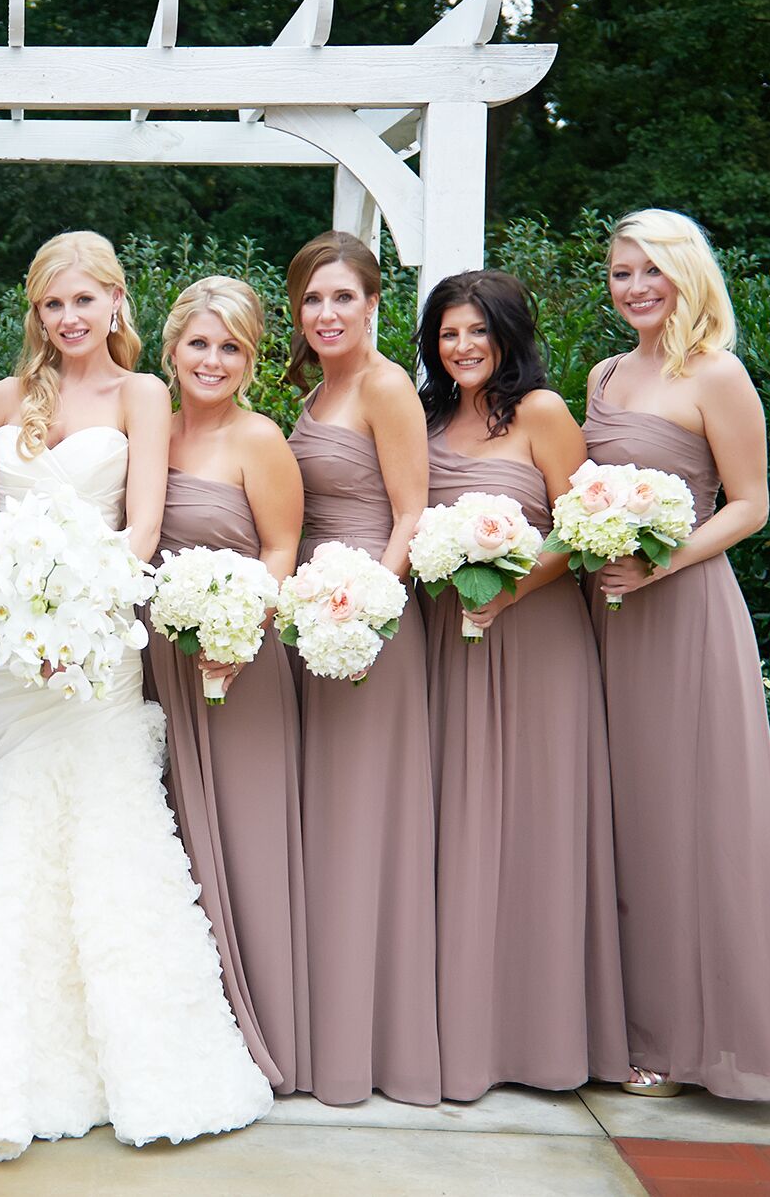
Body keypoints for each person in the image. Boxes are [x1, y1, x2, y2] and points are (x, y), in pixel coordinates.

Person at [0, 231, 273, 1159]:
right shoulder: (2, 398)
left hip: (99, 644)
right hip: (7, 650)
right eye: (51, 304)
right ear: (34, 312)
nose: (68, 319)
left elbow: (145, 525)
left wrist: (74, 609)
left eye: (84, 301)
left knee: (105, 821)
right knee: (14, 823)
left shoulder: (144, 394)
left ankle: (137, 1060)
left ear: (116, 302)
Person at [583, 209, 770, 1100]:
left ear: (689, 275)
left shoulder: (716, 374)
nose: (636, 286)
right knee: (622, 820)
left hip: (685, 614)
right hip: (607, 618)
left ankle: (694, 1041)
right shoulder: (603, 375)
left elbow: (750, 503)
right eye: (621, 273)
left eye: (651, 270)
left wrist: (660, 562)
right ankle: (626, 1022)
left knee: (689, 823)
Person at [415, 269, 629, 1101]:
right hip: (451, 642)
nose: (461, 347)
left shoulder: (540, 413)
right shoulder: (430, 417)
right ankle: (463, 1031)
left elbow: (585, 528)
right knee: (459, 826)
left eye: (477, 330)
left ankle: (540, 1036)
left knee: (535, 828)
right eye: (446, 333)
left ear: (507, 335)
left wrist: (511, 588)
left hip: (536, 640)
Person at [282, 231, 440, 1106]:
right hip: (314, 623)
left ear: (374, 304)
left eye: (343, 296)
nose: (327, 313)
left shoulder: (384, 387)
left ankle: (373, 1045)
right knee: (326, 820)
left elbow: (412, 509)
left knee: (364, 821)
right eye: (312, 299)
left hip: (368, 625)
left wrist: (367, 608)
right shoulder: (317, 390)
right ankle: (323, 1031)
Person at [145, 275, 309, 1094]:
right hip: (150, 669)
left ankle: (264, 1033)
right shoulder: (148, 431)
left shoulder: (260, 440)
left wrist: (237, 632)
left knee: (242, 845)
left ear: (250, 360)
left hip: (235, 666)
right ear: (171, 348)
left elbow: (282, 550)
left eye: (231, 347)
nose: (212, 360)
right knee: (162, 845)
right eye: (199, 343)